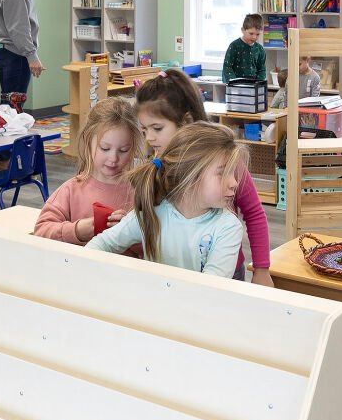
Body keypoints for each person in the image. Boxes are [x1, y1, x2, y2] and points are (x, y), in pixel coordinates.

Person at [134, 69, 272, 285]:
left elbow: (254, 214)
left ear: (186, 123)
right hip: (172, 272)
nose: (150, 138)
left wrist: (261, 270)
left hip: (225, 272)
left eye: (157, 128)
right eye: (144, 130)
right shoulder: (157, 163)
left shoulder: (226, 160)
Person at [88, 122, 247, 278]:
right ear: (189, 177)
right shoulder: (152, 213)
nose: (234, 183)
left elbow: (211, 288)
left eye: (233, 173)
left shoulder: (228, 227)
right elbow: (101, 244)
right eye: (222, 173)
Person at [34, 97, 138, 244]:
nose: (113, 158)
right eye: (105, 148)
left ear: (133, 148)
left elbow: (157, 246)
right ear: (88, 142)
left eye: (123, 150)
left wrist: (129, 231)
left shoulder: (139, 192)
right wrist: (77, 231)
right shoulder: (71, 190)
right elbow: (41, 231)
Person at [222, 13, 268, 83]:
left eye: (258, 34)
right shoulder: (234, 46)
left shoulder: (260, 49)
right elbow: (227, 68)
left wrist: (259, 83)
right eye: (251, 33)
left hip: (253, 87)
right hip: (235, 87)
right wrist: (234, 84)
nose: (254, 37)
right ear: (243, 30)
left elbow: (261, 70)